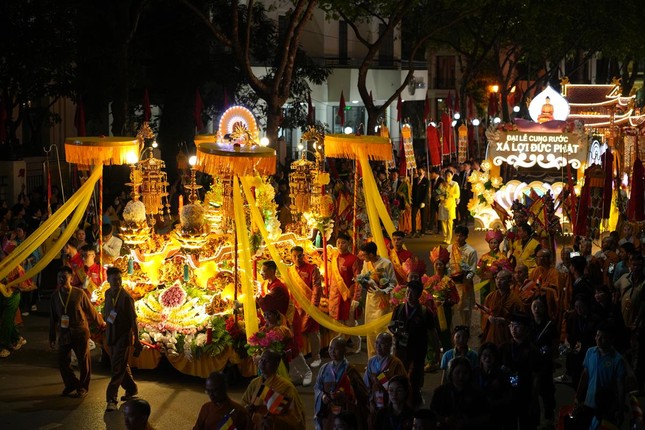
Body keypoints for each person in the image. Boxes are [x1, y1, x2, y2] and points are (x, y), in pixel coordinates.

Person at [49, 266, 104, 398]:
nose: (61, 279)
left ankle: (83, 387)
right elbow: (52, 318)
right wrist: (52, 337)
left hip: (80, 331)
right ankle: (72, 383)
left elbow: (91, 310)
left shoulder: (79, 293)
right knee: (62, 360)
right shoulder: (55, 296)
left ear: (71, 278)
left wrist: (101, 324)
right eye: (59, 277)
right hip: (64, 333)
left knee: (83, 361)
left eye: (64, 277)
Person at [573, 323, 629, 430]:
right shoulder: (590, 352)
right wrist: (577, 395)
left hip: (606, 406)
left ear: (611, 340)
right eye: (597, 335)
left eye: (603, 337)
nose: (598, 339)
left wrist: (620, 409)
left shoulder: (617, 360)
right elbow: (585, 375)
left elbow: (621, 387)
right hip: (589, 402)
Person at [389, 280, 435, 407]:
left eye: (412, 293)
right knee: (400, 374)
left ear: (419, 295)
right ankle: (400, 400)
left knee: (415, 376)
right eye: (408, 292)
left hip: (418, 350)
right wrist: (396, 332)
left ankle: (414, 401)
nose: (409, 295)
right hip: (401, 349)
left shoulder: (425, 312)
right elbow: (391, 326)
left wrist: (435, 352)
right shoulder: (399, 309)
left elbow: (432, 333)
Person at [103, 267, 142, 412]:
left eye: (119, 279)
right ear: (108, 280)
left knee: (117, 368)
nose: (117, 282)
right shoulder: (107, 293)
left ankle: (111, 399)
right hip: (111, 335)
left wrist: (136, 340)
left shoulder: (126, 298)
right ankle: (131, 389)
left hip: (123, 337)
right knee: (120, 364)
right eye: (114, 279)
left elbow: (133, 320)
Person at [241, 349, 306, 430]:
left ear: (276, 365)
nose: (262, 364)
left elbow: (296, 417)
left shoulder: (286, 387)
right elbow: (244, 403)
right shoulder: (254, 383)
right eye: (261, 360)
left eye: (267, 361)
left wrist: (275, 420)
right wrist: (247, 408)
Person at [314, 337, 368, 430]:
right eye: (330, 348)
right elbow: (317, 387)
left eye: (336, 349)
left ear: (344, 350)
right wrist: (322, 396)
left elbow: (362, 393)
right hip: (329, 411)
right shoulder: (324, 368)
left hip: (345, 411)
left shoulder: (350, 370)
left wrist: (346, 395)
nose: (332, 351)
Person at [499, 312, 541, 430]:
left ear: (526, 329)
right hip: (507, 394)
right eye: (511, 325)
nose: (513, 329)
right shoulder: (504, 348)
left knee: (527, 424)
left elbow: (536, 376)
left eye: (517, 326)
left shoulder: (533, 351)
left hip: (525, 393)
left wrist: (534, 398)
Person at [357, 242, 396, 357]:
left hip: (382, 301)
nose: (363, 257)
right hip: (370, 300)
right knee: (370, 330)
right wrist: (361, 281)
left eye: (364, 255)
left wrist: (382, 291)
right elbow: (363, 275)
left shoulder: (386, 264)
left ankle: (384, 357)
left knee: (381, 329)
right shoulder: (366, 263)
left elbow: (393, 283)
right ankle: (371, 359)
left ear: (371, 254)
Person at [430, 356, 491, 429]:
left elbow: (486, 415)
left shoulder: (477, 392)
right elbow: (432, 412)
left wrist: (469, 422)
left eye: (465, 373)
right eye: (457, 372)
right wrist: (444, 420)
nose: (461, 376)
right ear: (451, 373)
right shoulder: (441, 391)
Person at [328, 233, 363, 354]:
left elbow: (359, 280)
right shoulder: (334, 257)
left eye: (343, 243)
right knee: (337, 323)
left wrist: (356, 298)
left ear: (348, 244)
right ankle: (338, 348)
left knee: (350, 323)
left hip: (348, 296)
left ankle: (356, 344)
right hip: (335, 296)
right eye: (338, 242)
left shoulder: (354, 259)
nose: (340, 245)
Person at [289, 246, 323, 368]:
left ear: (303, 256)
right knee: (296, 333)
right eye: (294, 256)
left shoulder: (312, 269)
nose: (297, 258)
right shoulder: (290, 271)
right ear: (291, 257)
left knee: (313, 332)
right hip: (296, 307)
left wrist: (313, 306)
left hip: (309, 306)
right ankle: (300, 360)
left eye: (299, 256)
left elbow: (317, 288)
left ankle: (317, 357)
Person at [529, 298, 558, 428]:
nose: (536, 309)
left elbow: (554, 344)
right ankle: (534, 419)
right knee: (533, 392)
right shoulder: (529, 324)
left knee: (547, 391)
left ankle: (549, 417)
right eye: (534, 306)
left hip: (545, 363)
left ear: (544, 308)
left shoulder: (550, 325)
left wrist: (552, 357)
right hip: (531, 363)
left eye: (539, 306)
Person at [364, 332, 407, 416]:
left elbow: (402, 385)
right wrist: (370, 401)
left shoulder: (396, 363)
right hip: (374, 400)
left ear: (390, 345)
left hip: (391, 401)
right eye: (377, 343)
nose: (378, 346)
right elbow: (366, 384)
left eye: (382, 344)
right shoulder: (371, 361)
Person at [426, 246, 460, 353]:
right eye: (437, 264)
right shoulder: (429, 281)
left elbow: (455, 298)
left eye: (441, 264)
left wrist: (446, 302)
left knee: (445, 332)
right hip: (433, 311)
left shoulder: (448, 281)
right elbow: (425, 296)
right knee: (434, 332)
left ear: (444, 265)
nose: (438, 266)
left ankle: (447, 352)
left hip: (445, 310)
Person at [480, 269, 523, 346]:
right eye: (497, 278)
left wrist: (505, 321)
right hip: (492, 331)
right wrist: (489, 317)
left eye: (502, 279)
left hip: (506, 333)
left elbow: (520, 319)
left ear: (509, 282)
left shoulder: (515, 300)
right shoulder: (490, 296)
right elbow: (484, 313)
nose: (498, 281)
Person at [447, 226, 477, 327]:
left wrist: (465, 279)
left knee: (465, 309)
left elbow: (472, 270)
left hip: (464, 284)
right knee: (452, 308)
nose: (458, 238)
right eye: (457, 235)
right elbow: (446, 265)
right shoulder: (450, 248)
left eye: (461, 236)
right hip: (452, 284)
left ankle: (465, 329)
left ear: (466, 237)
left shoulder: (471, 251)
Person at [476, 229, 508, 302]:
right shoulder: (484, 257)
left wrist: (500, 268)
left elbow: (507, 272)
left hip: (498, 284)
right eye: (491, 243)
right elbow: (477, 270)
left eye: (495, 243)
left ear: (499, 244)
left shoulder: (503, 257)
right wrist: (481, 268)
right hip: (485, 284)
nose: (493, 245)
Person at [437, 169, 460, 245]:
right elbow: (438, 193)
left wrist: (450, 195)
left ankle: (449, 238)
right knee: (443, 221)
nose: (447, 177)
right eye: (446, 175)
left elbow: (457, 194)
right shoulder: (441, 184)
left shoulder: (455, 184)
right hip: (443, 204)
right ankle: (445, 236)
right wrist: (439, 196)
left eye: (449, 175)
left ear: (452, 176)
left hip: (451, 204)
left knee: (450, 221)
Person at [411, 167, 429, 238]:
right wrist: (412, 200)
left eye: (421, 171)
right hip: (415, 201)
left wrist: (424, 202)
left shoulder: (426, 181)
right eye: (419, 170)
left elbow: (426, 193)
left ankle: (423, 231)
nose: (419, 172)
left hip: (422, 201)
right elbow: (413, 190)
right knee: (413, 216)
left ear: (424, 172)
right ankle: (413, 231)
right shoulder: (415, 180)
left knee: (423, 216)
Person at [427, 167, 444, 235]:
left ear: (435, 173)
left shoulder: (441, 180)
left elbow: (441, 191)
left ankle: (440, 229)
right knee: (432, 214)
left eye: (432, 173)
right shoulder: (432, 181)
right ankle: (430, 228)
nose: (431, 174)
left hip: (438, 200)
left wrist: (436, 192)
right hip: (433, 199)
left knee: (439, 214)